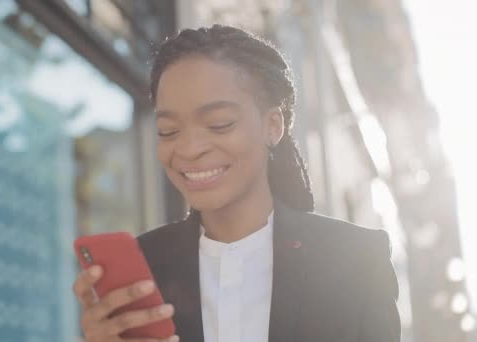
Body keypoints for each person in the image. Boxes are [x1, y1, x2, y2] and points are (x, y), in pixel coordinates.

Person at [73, 25, 400, 342]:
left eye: (219, 124)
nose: (188, 149)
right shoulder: (144, 271)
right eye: (168, 131)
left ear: (273, 126)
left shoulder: (356, 259)